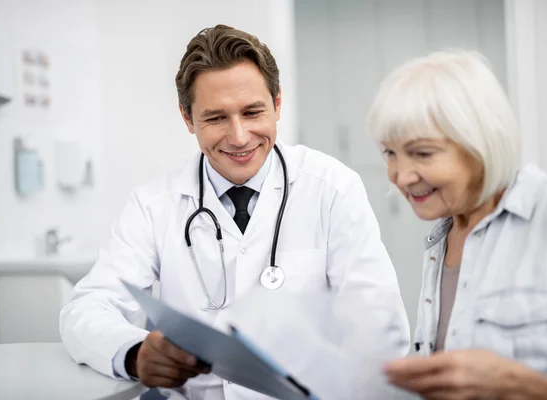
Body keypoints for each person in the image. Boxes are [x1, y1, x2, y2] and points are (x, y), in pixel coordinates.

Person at [60, 24, 409, 399]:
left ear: (277, 104)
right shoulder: (153, 204)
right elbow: (88, 308)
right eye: (216, 118)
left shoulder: (332, 188)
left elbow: (379, 328)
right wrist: (134, 353)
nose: (239, 136)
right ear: (187, 117)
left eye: (252, 111)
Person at [366, 50, 547, 399]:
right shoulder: (443, 238)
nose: (402, 177)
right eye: (389, 153)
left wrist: (517, 384)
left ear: (480, 142)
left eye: (422, 153)